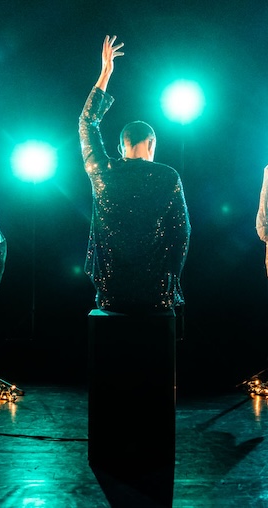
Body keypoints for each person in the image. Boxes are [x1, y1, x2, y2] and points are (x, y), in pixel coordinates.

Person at [79, 35, 190, 314]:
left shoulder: (102, 173)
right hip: (157, 295)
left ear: (121, 147)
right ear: (152, 144)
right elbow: (182, 232)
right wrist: (169, 281)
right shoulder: (168, 176)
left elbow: (87, 123)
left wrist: (105, 73)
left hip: (111, 295)